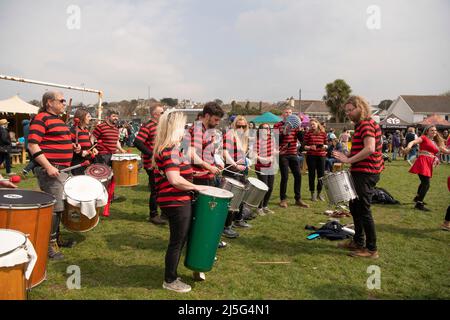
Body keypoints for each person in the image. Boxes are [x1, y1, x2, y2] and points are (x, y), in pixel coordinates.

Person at [152, 111, 208, 293]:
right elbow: (174, 180)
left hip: (178, 199)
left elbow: (178, 173)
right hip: (175, 201)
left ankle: (187, 269)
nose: (185, 130)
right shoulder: (169, 150)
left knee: (182, 239)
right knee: (177, 242)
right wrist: (197, 187)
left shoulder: (172, 149)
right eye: (183, 126)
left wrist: (196, 175)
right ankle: (170, 280)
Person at [333, 95, 384, 259]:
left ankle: (371, 249)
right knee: (355, 208)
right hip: (360, 171)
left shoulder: (367, 124)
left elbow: (370, 148)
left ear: (360, 107)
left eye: (350, 109)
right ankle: (358, 241)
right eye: (346, 110)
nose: (348, 113)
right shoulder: (361, 125)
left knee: (363, 210)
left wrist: (348, 159)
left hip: (366, 172)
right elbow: (364, 149)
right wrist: (349, 154)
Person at [28, 91, 76, 260]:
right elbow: (33, 145)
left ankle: (56, 240)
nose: (64, 103)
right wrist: (48, 166)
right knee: (54, 209)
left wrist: (74, 147)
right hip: (52, 170)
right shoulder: (41, 118)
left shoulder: (58, 120)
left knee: (60, 207)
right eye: (61, 100)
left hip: (63, 169)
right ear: (49, 102)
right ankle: (49, 246)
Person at [134, 103, 167, 225]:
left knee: (163, 188)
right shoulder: (148, 126)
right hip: (151, 164)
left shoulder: (160, 126)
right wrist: (151, 154)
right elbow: (137, 142)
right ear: (155, 114)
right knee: (156, 190)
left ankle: (164, 213)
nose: (164, 114)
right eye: (162, 113)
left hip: (161, 162)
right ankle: (153, 215)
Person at [405, 125, 449, 211]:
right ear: (427, 131)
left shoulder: (435, 142)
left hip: (428, 163)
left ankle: (417, 198)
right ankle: (419, 204)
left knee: (423, 182)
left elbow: (446, 151)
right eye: (432, 130)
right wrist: (408, 147)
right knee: (426, 184)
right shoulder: (423, 138)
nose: (434, 132)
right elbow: (413, 142)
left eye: (435, 130)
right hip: (422, 162)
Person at [273, 108, 309, 208]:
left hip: (293, 153)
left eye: (290, 112)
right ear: (282, 114)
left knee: (298, 175)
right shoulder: (278, 125)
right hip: (283, 154)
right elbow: (275, 141)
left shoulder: (296, 125)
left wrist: (301, 131)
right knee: (285, 177)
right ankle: (283, 199)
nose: (288, 114)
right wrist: (283, 133)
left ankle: (298, 199)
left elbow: (302, 141)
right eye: (286, 112)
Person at [223, 115, 251, 230]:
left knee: (242, 196)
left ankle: (238, 219)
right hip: (231, 170)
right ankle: (226, 226)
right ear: (234, 125)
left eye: (243, 126)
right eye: (238, 126)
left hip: (242, 170)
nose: (241, 128)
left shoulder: (244, 137)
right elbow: (225, 153)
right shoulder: (230, 135)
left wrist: (247, 162)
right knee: (231, 199)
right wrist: (234, 164)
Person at [303, 118, 328, 202]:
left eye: (313, 124)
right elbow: (303, 146)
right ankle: (312, 193)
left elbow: (327, 145)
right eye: (311, 125)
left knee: (321, 176)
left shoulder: (323, 133)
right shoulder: (308, 133)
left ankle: (319, 193)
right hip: (311, 156)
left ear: (317, 124)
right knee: (311, 175)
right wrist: (310, 147)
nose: (312, 126)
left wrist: (325, 146)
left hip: (321, 156)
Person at [255, 123, 275, 215]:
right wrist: (265, 159)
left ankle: (265, 206)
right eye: (265, 128)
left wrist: (275, 153)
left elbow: (273, 150)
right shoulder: (257, 140)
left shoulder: (271, 139)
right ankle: (259, 207)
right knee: (264, 188)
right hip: (261, 167)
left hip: (271, 167)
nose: (267, 130)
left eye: (268, 128)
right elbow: (255, 155)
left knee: (270, 188)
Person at [70, 108, 98, 175]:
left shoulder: (85, 130)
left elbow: (87, 144)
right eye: (88, 116)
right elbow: (68, 146)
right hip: (77, 163)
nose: (90, 118)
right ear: (82, 117)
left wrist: (93, 149)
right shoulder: (73, 130)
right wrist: (81, 152)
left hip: (87, 161)